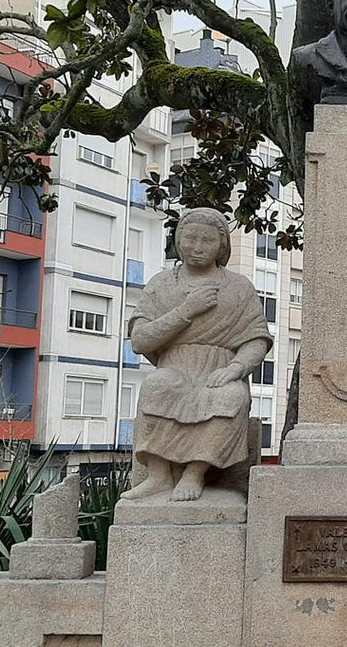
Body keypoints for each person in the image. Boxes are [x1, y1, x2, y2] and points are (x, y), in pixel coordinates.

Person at [123, 208, 273, 502]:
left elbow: (257, 339)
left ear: (222, 245)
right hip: (174, 367)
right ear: (178, 240)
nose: (197, 247)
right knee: (156, 386)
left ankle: (194, 473)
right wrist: (186, 311)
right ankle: (158, 475)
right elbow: (140, 340)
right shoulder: (161, 284)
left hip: (219, 369)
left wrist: (237, 368)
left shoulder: (239, 287)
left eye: (206, 240)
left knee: (232, 397)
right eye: (189, 238)